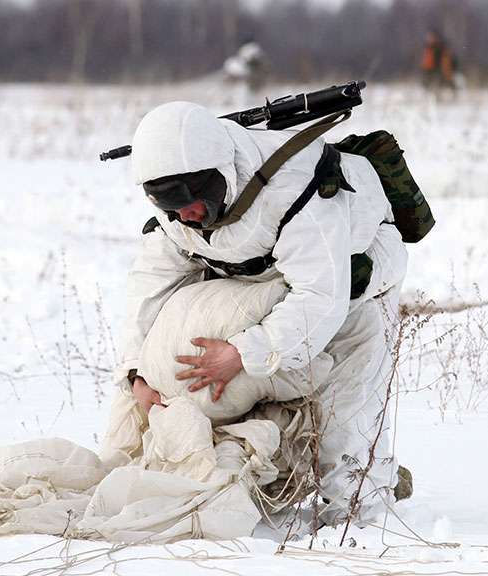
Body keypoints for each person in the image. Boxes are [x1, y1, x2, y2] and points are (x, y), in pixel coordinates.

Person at [117, 101, 411, 529]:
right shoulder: (180, 212)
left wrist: (242, 351)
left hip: (354, 278)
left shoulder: (295, 190)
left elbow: (320, 296)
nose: (187, 215)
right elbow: (150, 285)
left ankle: (364, 504)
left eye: (191, 199)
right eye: (169, 204)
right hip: (266, 276)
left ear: (220, 174)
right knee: (247, 406)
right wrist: (136, 372)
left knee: (344, 419)